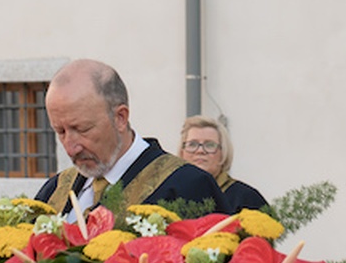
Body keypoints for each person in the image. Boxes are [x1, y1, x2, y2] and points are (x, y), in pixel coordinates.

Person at [35, 59, 221, 213]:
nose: (70, 148)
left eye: (82, 129)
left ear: (120, 118)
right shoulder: (54, 192)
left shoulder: (188, 187)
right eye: (60, 132)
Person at [177, 115, 268, 212]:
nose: (200, 151)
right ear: (182, 153)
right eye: (192, 144)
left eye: (209, 145)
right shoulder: (172, 195)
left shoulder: (246, 198)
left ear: (223, 152)